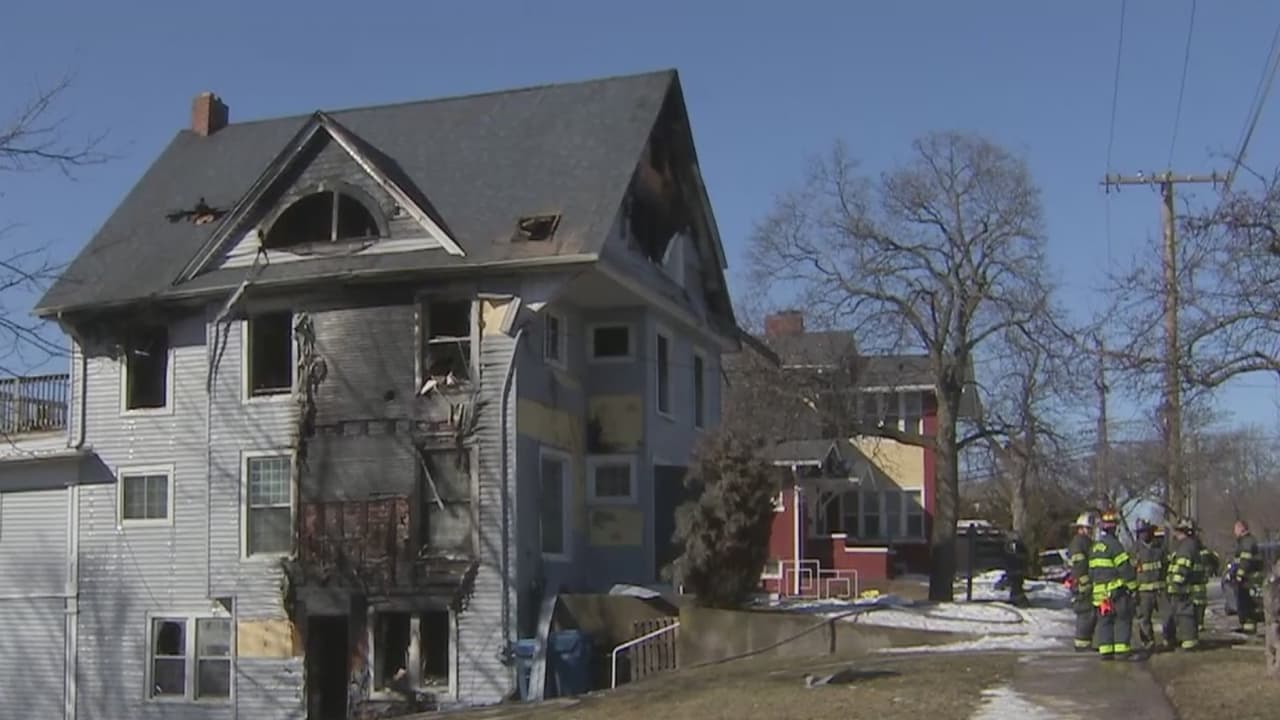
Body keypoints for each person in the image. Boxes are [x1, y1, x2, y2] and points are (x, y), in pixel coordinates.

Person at [1089, 510, 1138, 660]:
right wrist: (1133, 586)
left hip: (1100, 594)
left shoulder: (1095, 547)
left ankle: (1106, 651)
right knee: (1122, 619)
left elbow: (1091, 572)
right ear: (1114, 528)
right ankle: (1122, 650)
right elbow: (1124, 568)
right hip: (1116, 591)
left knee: (1104, 621)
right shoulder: (1115, 545)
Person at [1166, 519, 1201, 651]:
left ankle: (1189, 643)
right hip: (1183, 588)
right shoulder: (1186, 545)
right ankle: (1187, 641)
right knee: (1182, 615)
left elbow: (1183, 566)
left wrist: (1176, 583)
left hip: (1183, 588)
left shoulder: (1186, 546)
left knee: (1186, 615)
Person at [1133, 520, 1167, 650]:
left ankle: (1169, 638)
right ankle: (1148, 641)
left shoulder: (1160, 547)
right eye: (1140, 532)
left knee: (1168, 615)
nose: (1143, 535)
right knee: (1144, 618)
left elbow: (1166, 566)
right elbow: (1131, 569)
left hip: (1160, 589)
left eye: (1145, 532)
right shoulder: (1134, 549)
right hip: (1143, 591)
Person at [1066, 513, 1096, 652]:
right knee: (1085, 613)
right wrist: (1084, 582)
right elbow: (1079, 565)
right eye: (1088, 529)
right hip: (1082, 585)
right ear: (1081, 528)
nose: (1090, 532)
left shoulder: (1086, 542)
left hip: (1087, 583)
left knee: (1089, 613)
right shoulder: (1079, 542)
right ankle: (1082, 645)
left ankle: (1085, 642)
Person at [1232, 520, 1264, 635]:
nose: (1234, 532)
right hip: (1246, 578)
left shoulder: (1247, 542)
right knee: (1244, 602)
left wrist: (1239, 575)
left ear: (1241, 529)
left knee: (1247, 602)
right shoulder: (1244, 542)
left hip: (1248, 579)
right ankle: (1247, 626)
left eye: (1235, 529)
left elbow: (1245, 560)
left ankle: (1249, 626)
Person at [1194, 541, 1220, 631]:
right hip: (1201, 582)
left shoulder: (1187, 551)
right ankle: (1200, 623)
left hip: (1194, 582)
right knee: (1200, 603)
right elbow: (1216, 559)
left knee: (1195, 604)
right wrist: (1212, 571)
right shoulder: (1207, 552)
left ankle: (1196, 623)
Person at [1004, 531, 1029, 607]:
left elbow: (1024, 555)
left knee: (1017, 583)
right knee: (1016, 583)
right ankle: (1017, 598)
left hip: (1016, 569)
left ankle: (1017, 597)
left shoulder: (1018, 546)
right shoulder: (1009, 546)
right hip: (1014, 569)